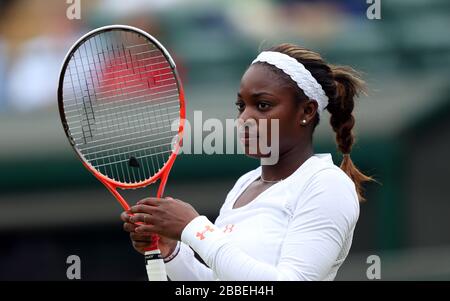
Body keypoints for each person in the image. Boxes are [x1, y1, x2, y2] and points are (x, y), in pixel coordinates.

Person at [120, 43, 373, 281]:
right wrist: (172, 252)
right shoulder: (244, 184)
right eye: (241, 106)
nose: (244, 118)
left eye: (263, 105)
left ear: (306, 111)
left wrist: (194, 229)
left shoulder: (327, 184)